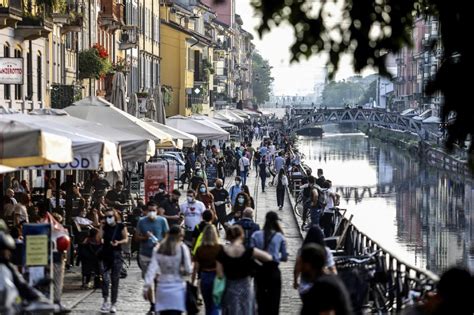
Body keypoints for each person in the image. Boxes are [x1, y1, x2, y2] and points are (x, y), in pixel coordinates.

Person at [216, 225, 273, 315]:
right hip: (246, 287)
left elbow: (219, 274)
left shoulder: (222, 252)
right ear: (241, 235)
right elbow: (268, 257)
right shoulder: (249, 251)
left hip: (230, 288)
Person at [143, 225, 192, 315]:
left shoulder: (159, 248)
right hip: (178, 286)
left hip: (162, 286)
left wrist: (146, 287)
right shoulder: (182, 248)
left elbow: (152, 269)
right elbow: (188, 269)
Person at [251, 211, 288, 315]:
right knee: (274, 301)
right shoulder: (280, 236)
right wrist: (275, 257)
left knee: (260, 299)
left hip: (260, 270)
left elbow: (251, 253)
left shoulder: (256, 235)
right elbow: (284, 257)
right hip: (273, 271)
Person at [299, 244, 352, 315]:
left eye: (301, 263)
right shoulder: (330, 279)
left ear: (308, 264)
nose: (299, 268)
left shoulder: (324, 286)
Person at [99, 208, 129, 313]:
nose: (108, 218)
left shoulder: (121, 226)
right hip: (105, 254)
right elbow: (99, 239)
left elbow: (126, 239)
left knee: (115, 279)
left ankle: (113, 303)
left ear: (115, 217)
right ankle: (105, 300)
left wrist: (118, 242)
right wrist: (101, 227)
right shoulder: (105, 227)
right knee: (105, 279)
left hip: (116, 254)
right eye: (106, 216)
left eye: (110, 216)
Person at [294, 225, 337, 296]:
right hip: (321, 288)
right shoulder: (325, 251)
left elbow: (297, 268)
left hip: (305, 288)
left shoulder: (302, 250)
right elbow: (333, 271)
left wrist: (295, 282)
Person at [192, 225, 222, 315]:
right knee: (216, 304)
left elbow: (195, 267)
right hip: (216, 276)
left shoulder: (199, 249)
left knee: (207, 304)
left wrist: (193, 281)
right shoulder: (219, 248)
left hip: (204, 276)